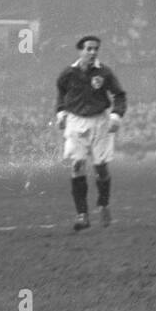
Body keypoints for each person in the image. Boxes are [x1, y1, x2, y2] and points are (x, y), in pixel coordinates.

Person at [55, 35, 127, 231]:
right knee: (77, 165)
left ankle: (103, 204)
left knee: (100, 167)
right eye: (89, 49)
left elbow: (119, 95)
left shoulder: (104, 72)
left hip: (99, 121)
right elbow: (61, 94)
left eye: (96, 49)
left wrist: (116, 116)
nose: (93, 52)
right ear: (80, 51)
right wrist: (61, 112)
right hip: (75, 121)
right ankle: (82, 215)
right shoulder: (68, 73)